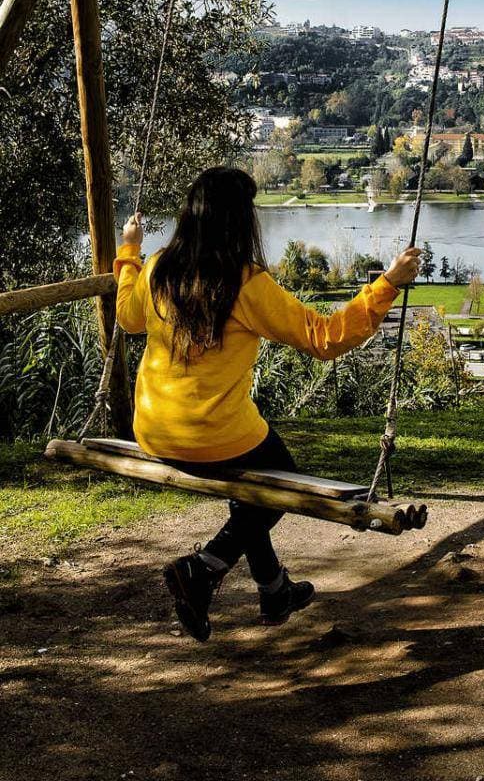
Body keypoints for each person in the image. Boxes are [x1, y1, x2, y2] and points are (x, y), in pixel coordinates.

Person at [114, 166, 420, 642]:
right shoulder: (244, 282)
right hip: (212, 434)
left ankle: (275, 588)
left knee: (253, 486)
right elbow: (324, 337)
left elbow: (128, 318)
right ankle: (205, 565)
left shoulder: (158, 267)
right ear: (241, 220)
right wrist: (388, 284)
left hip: (152, 428)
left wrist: (129, 251)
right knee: (276, 481)